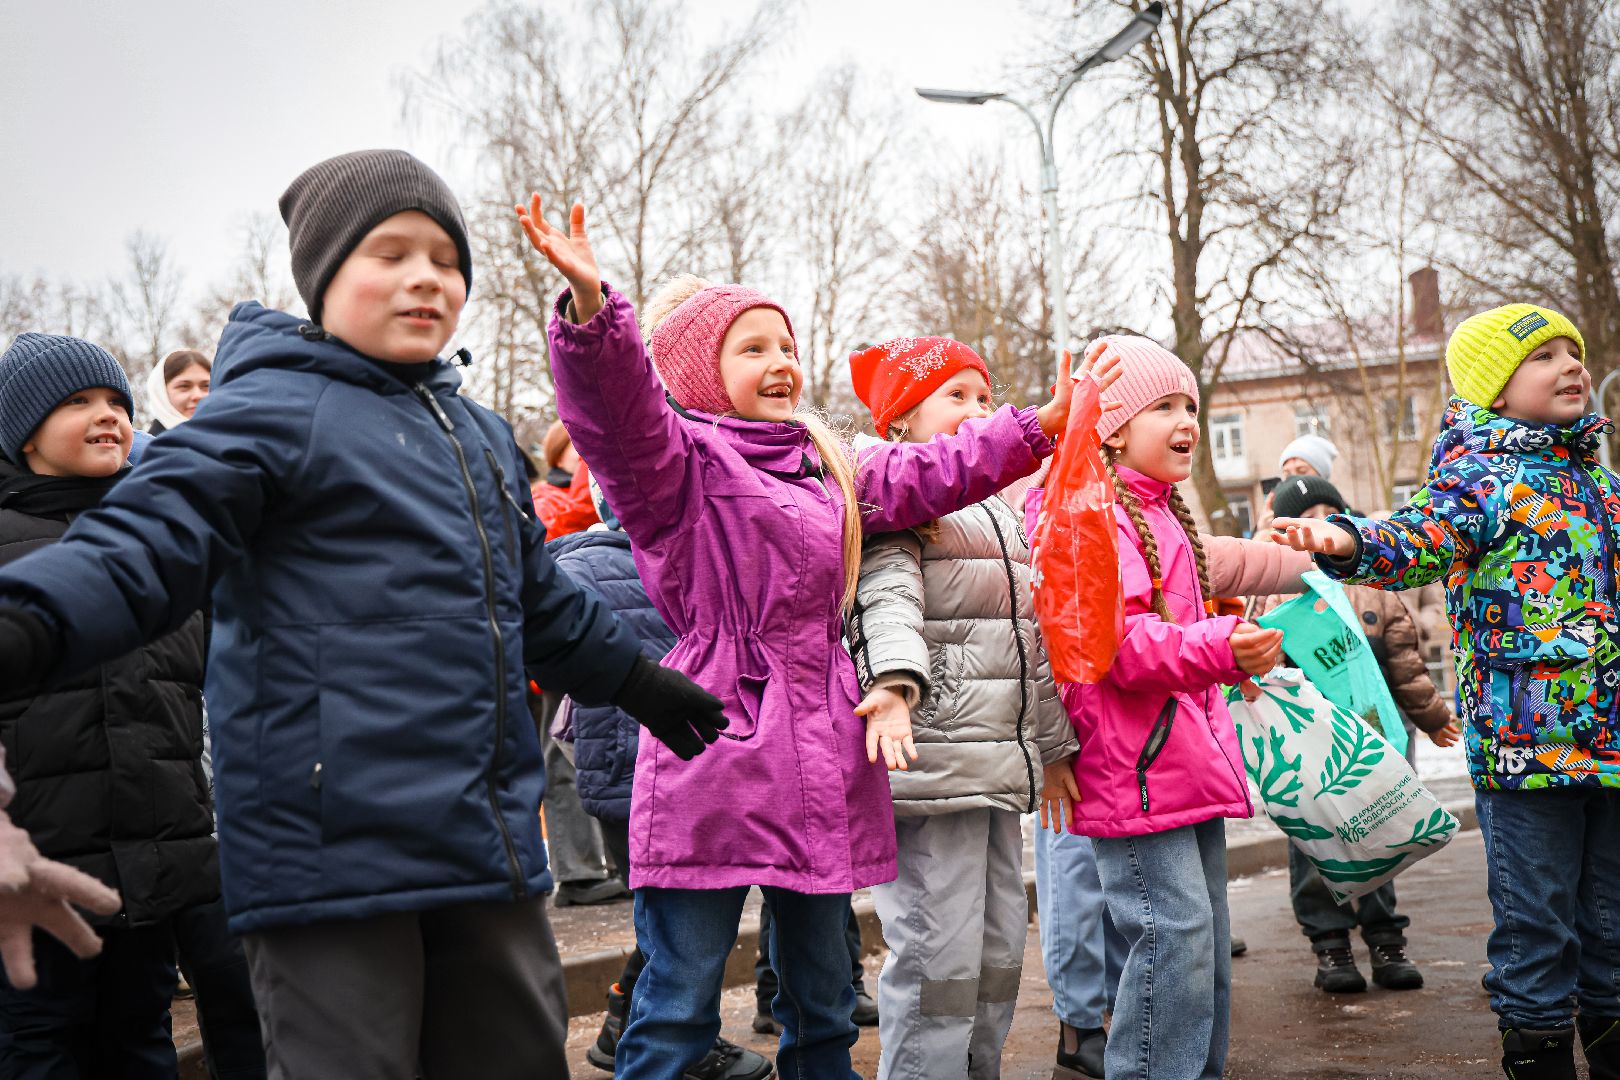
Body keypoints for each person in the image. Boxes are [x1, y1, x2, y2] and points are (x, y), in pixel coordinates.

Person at [0, 151, 726, 1080]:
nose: (427, 275)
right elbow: (134, 549)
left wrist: (639, 683)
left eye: (447, 258)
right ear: (324, 276)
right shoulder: (262, 415)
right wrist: (25, 621)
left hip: (486, 851)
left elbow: (539, 601)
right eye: (389, 252)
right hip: (327, 869)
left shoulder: (481, 438)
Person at [517, 193, 1119, 1080]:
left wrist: (1037, 427)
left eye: (788, 347)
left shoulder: (828, 462)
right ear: (694, 372)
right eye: (752, 348)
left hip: (823, 746)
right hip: (711, 738)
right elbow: (617, 415)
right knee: (679, 996)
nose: (781, 363)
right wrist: (592, 313)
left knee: (825, 1001)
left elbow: (928, 471)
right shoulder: (674, 466)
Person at [1273, 304, 1620, 1080]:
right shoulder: (1478, 480)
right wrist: (1349, 539)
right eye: (1544, 357)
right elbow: (1420, 537)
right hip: (1527, 751)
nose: (1571, 365)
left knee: (1611, 923)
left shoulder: (1601, 482)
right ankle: (1536, 1050)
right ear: (1495, 390)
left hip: (1612, 746)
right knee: (1539, 928)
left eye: (1575, 350)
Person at [1037, 335, 1287, 1080]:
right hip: (1135, 773)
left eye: (1191, 407)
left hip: (1181, 766)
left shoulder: (1160, 511)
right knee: (1171, 936)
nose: (1187, 421)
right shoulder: (1094, 516)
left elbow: (1173, 618)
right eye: (1164, 407)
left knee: (1198, 944)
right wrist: (1218, 644)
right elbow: (1114, 648)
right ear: (1111, 428)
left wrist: (1227, 627)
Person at [839, 335, 1080, 1079]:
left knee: (1001, 948)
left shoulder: (1000, 518)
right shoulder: (896, 507)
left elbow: (1026, 642)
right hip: (928, 768)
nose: (980, 410)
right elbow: (885, 605)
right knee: (936, 956)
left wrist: (1053, 748)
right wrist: (894, 687)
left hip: (995, 770)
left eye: (986, 396)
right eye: (958, 398)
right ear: (899, 425)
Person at [0, 334, 219, 1075]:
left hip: (155, 871)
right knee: (39, 1051)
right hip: (34, 878)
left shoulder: (163, 541)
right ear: (23, 431)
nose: (109, 416)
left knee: (142, 1044)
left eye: (119, 403)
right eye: (79, 402)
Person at [554, 483, 770, 1080]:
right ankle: (655, 1038)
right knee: (671, 923)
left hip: (670, 764)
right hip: (634, 772)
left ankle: (636, 1025)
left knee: (672, 921)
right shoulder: (597, 564)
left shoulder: (692, 554)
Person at [1255, 473, 1461, 996]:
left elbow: (1407, 666)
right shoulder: (1275, 596)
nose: (1317, 530)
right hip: (1311, 755)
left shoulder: (1376, 592)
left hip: (1377, 743)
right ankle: (1331, 947)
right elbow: (1261, 674)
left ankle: (1386, 939)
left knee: (1382, 832)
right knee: (1315, 847)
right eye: (1301, 522)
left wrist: (1434, 718)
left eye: (1328, 516)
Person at [532, 418, 598, 538]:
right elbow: (575, 519)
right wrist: (591, 460)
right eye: (578, 443)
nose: (586, 449)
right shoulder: (542, 500)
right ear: (559, 457)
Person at [146, 349, 212, 434]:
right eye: (184, 386)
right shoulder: (148, 446)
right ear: (161, 393)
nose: (197, 395)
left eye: (206, 386)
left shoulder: (229, 437)